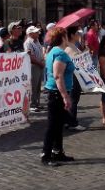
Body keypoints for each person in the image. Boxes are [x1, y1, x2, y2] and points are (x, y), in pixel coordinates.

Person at [41, 26, 77, 166]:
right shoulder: (60, 54)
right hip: (56, 93)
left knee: (58, 124)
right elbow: (58, 75)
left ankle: (58, 152)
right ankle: (46, 154)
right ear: (62, 38)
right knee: (53, 125)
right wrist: (65, 96)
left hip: (56, 93)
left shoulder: (54, 51)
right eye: (66, 36)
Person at [64, 26, 87, 131]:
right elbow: (75, 62)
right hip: (73, 76)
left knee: (72, 99)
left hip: (75, 76)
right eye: (77, 33)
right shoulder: (69, 48)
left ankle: (68, 120)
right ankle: (72, 122)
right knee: (73, 99)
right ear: (72, 35)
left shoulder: (73, 46)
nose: (79, 35)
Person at [24, 25, 45, 112]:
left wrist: (42, 60)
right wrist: (40, 63)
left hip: (39, 65)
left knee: (38, 86)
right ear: (30, 33)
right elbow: (31, 57)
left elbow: (40, 52)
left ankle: (37, 103)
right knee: (33, 85)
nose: (38, 33)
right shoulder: (28, 42)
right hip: (34, 66)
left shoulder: (37, 41)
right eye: (36, 32)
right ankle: (32, 104)